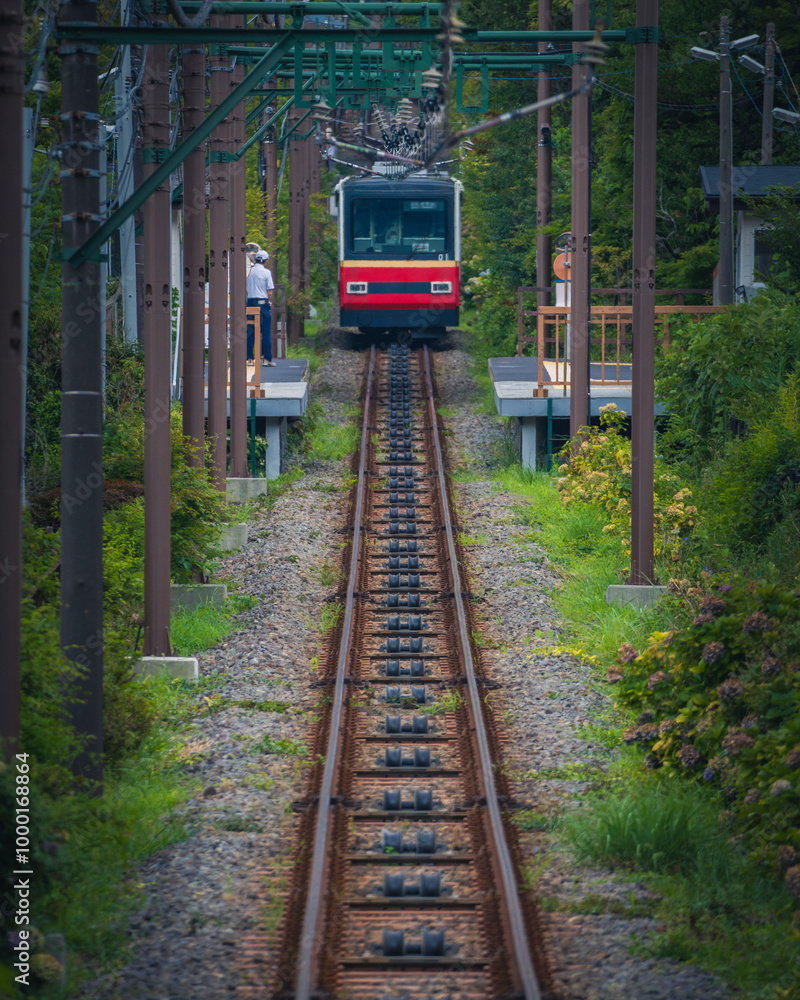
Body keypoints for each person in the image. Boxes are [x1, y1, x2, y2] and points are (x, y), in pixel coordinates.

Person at [246, 250, 275, 366]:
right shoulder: (266, 272)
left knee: (250, 331)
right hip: (262, 303)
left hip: (250, 302)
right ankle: (266, 359)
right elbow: (270, 291)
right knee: (265, 332)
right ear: (265, 261)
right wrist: (268, 301)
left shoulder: (249, 271)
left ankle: (249, 359)